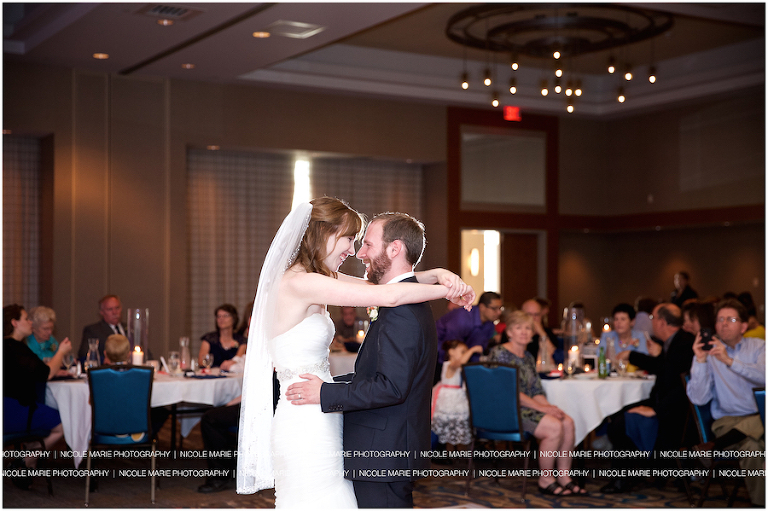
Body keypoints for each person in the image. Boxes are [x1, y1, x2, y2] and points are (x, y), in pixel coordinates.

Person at [236, 198, 474, 508]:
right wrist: (451, 291)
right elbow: (387, 295)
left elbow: (380, 285)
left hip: (323, 408)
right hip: (304, 415)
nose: (352, 250)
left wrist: (436, 274)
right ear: (325, 233)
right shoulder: (301, 283)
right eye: (349, 239)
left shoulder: (315, 279)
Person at [488, 310, 587, 496]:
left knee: (567, 421)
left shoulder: (527, 357)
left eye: (528, 328)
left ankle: (564, 477)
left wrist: (550, 408)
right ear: (509, 332)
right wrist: (542, 409)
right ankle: (546, 479)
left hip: (525, 408)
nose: (524, 332)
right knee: (554, 427)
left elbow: (535, 391)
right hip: (506, 411)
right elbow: (509, 392)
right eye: (519, 328)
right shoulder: (500, 353)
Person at [606, 303, 695, 493]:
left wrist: (655, 409)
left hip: (676, 413)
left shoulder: (683, 345)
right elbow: (662, 367)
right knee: (617, 414)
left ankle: (625, 478)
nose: (652, 323)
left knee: (619, 425)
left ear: (662, 322)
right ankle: (631, 474)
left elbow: (684, 389)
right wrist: (634, 355)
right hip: (666, 403)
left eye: (654, 319)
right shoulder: (675, 342)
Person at [687, 298, 765, 506]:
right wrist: (701, 361)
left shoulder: (759, 347)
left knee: (751, 443)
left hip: (762, 419)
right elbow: (698, 398)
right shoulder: (708, 354)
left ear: (744, 326)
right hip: (727, 421)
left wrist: (729, 361)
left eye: (730, 319)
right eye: (720, 319)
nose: (723, 324)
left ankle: (714, 447)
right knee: (753, 447)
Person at [3, 304, 70, 489]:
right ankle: (27, 461)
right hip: (14, 410)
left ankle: (30, 450)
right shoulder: (15, 348)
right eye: (26, 318)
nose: (30, 322)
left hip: (9, 408)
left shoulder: (9, 347)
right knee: (63, 424)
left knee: (46, 415)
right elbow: (46, 373)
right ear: (15, 323)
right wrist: (62, 352)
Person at [431, 340, 481, 446]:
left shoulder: (458, 366)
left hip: (457, 396)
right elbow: (460, 362)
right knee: (442, 422)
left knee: (454, 423)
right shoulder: (449, 364)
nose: (466, 355)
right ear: (451, 352)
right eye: (463, 352)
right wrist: (472, 350)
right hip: (449, 399)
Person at [436, 291, 503, 366]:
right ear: (482, 307)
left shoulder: (489, 325)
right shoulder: (462, 319)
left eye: (500, 308)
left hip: (462, 361)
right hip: (438, 356)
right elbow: (450, 349)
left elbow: (477, 351)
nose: (499, 312)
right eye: (494, 308)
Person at [78, 295, 128, 361]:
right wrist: (103, 360)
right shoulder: (93, 330)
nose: (114, 312)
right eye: (110, 309)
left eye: (117, 308)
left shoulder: (130, 328)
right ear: (102, 312)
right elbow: (84, 354)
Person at [198, 304, 246, 368]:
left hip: (234, 376)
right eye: (219, 316)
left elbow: (238, 360)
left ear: (234, 319)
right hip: (211, 375)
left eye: (226, 316)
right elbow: (201, 361)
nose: (221, 319)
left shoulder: (241, 340)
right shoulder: (209, 339)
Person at [521, 298, 561, 366]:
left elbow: (555, 357)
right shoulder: (514, 332)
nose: (533, 318)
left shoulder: (547, 332)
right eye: (529, 314)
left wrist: (541, 333)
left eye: (536, 314)